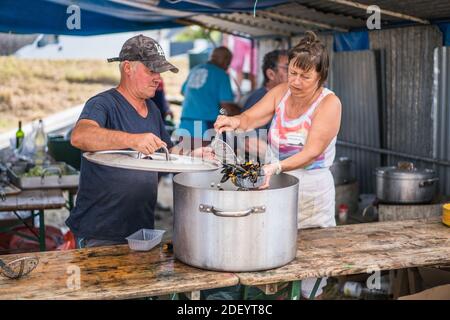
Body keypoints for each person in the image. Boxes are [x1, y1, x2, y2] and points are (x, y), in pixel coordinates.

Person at [214, 31, 342, 299]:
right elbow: (250, 118)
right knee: (274, 261)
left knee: (311, 269)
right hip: (276, 188)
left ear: (321, 76)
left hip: (311, 195)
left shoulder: (329, 104)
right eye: (293, 73)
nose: (295, 81)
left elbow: (311, 152)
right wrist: (234, 122)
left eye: (305, 77)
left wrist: (275, 167)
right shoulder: (282, 92)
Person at [67, 34, 212, 248]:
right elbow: (80, 136)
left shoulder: (152, 109)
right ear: (128, 68)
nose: (158, 78)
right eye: (151, 70)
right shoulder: (103, 104)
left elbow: (166, 152)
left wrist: (192, 155)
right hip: (99, 232)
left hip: (140, 230)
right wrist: (132, 140)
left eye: (159, 72)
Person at [178, 46, 239, 149]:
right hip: (204, 127)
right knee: (203, 161)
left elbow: (183, 91)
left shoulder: (195, 69)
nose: (228, 66)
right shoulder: (221, 75)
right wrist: (238, 115)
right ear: (225, 60)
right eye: (228, 62)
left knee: (185, 160)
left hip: (185, 125)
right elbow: (226, 107)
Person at [241, 49, 288, 161]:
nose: (293, 73)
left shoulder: (286, 99)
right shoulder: (258, 99)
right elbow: (249, 142)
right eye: (287, 68)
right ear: (271, 74)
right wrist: (280, 162)